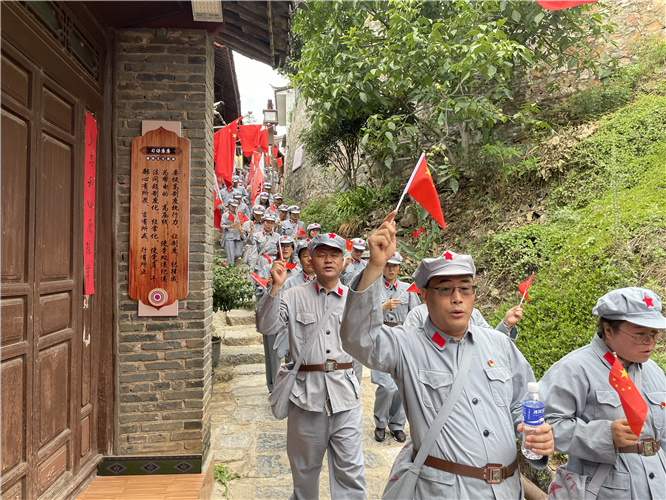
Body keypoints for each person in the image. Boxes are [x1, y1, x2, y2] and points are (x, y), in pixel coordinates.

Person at [340, 212, 554, 498]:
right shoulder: (406, 346)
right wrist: (374, 268)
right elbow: (357, 338)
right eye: (445, 290)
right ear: (425, 296)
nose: (457, 298)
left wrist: (535, 438)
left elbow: (522, 405)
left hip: (506, 490)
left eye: (465, 288)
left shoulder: (499, 345)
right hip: (446, 492)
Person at [256, 233, 366, 499]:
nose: (328, 260)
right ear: (310, 261)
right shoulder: (292, 296)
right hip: (306, 397)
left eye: (335, 255)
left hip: (345, 398)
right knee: (304, 471)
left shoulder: (354, 298)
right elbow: (266, 326)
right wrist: (274, 289)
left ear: (344, 261)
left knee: (351, 473)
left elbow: (361, 349)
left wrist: (353, 382)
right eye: (321, 254)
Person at [539, 287, 665, 499]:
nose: (650, 343)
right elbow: (546, 425)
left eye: (654, 334)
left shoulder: (654, 371)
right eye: (640, 335)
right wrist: (605, 434)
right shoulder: (576, 368)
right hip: (605, 490)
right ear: (609, 330)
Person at [372, 251, 421, 444]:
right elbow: (364, 313)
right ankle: (380, 423)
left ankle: (397, 425)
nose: (391, 269)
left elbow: (415, 314)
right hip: (382, 338)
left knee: (402, 384)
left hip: (403, 338)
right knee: (386, 386)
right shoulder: (374, 288)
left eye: (395, 266)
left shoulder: (407, 289)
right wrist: (382, 307)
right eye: (388, 265)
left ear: (399, 268)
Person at [255, 235, 299, 393]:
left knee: (293, 355)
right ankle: (274, 389)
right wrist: (268, 286)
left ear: (293, 249)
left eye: (289, 246)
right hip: (273, 316)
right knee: (272, 356)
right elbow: (258, 291)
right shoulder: (268, 268)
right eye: (283, 246)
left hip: (292, 317)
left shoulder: (298, 270)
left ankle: (291, 388)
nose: (286, 249)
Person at [220, 200, 245, 265]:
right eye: (232, 206)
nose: (233, 207)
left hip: (238, 236)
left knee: (238, 254)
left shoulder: (239, 214)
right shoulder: (225, 215)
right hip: (229, 236)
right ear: (229, 205)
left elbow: (242, 223)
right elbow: (222, 225)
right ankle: (230, 268)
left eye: (235, 206)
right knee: (231, 255)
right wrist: (229, 226)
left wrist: (241, 226)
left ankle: (230, 264)